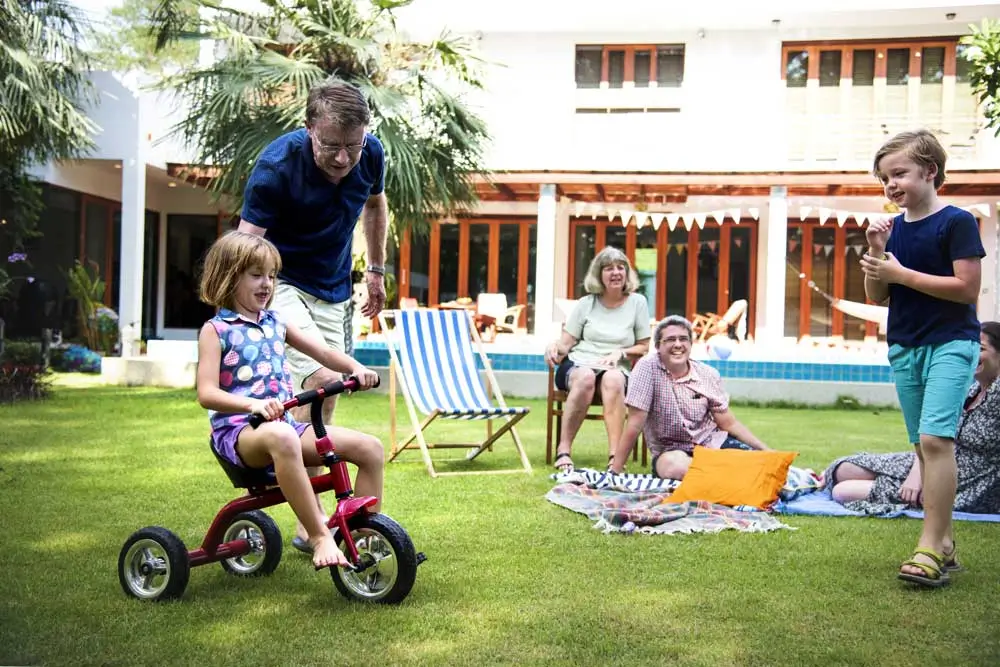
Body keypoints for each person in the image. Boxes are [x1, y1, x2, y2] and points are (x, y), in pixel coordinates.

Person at [237, 77, 389, 553]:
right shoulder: (276, 167)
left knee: (322, 398)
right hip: (279, 281)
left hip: (335, 285)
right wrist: (240, 314)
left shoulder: (373, 155)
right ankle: (313, 521)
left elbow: (376, 205)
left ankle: (309, 522)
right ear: (308, 129)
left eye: (353, 145)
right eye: (331, 146)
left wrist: (376, 271)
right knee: (322, 372)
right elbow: (246, 245)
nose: (343, 159)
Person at [195, 231, 382, 570]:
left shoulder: (276, 322)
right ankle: (320, 535)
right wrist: (252, 405)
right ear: (228, 276)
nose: (267, 284)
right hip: (241, 434)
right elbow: (206, 393)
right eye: (256, 275)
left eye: (271, 275)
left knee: (370, 448)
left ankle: (364, 539)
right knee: (282, 436)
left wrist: (355, 367)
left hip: (284, 427)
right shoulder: (216, 330)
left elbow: (322, 351)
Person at [860, 129, 985, 588]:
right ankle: (946, 543)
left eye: (899, 173)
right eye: (884, 178)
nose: (890, 185)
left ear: (930, 171)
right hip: (905, 345)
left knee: (936, 440)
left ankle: (929, 547)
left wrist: (900, 272)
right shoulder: (891, 231)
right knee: (921, 445)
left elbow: (966, 289)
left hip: (951, 340)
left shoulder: (957, 222)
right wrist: (877, 254)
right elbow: (878, 296)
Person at [825, 322, 1000, 539]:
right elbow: (936, 434)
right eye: (970, 346)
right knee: (843, 469)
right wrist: (917, 471)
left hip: (967, 481)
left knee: (843, 492)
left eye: (980, 348)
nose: (972, 353)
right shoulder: (971, 389)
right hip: (935, 456)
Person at [609, 315, 770, 478]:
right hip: (670, 452)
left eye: (683, 339)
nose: (678, 344)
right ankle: (725, 476)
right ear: (658, 346)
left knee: (760, 465)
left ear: (690, 344)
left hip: (712, 444)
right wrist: (614, 472)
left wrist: (766, 451)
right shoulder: (647, 368)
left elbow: (729, 423)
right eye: (670, 339)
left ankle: (719, 476)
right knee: (674, 467)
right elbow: (635, 424)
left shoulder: (708, 374)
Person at [545, 247, 651, 472]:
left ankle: (616, 457)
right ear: (598, 274)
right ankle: (563, 450)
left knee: (613, 379)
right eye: (609, 268)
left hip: (615, 368)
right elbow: (567, 342)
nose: (616, 273)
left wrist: (620, 352)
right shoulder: (586, 303)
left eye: (620, 267)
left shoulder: (638, 303)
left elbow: (644, 346)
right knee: (584, 378)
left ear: (627, 273)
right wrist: (554, 347)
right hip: (579, 364)